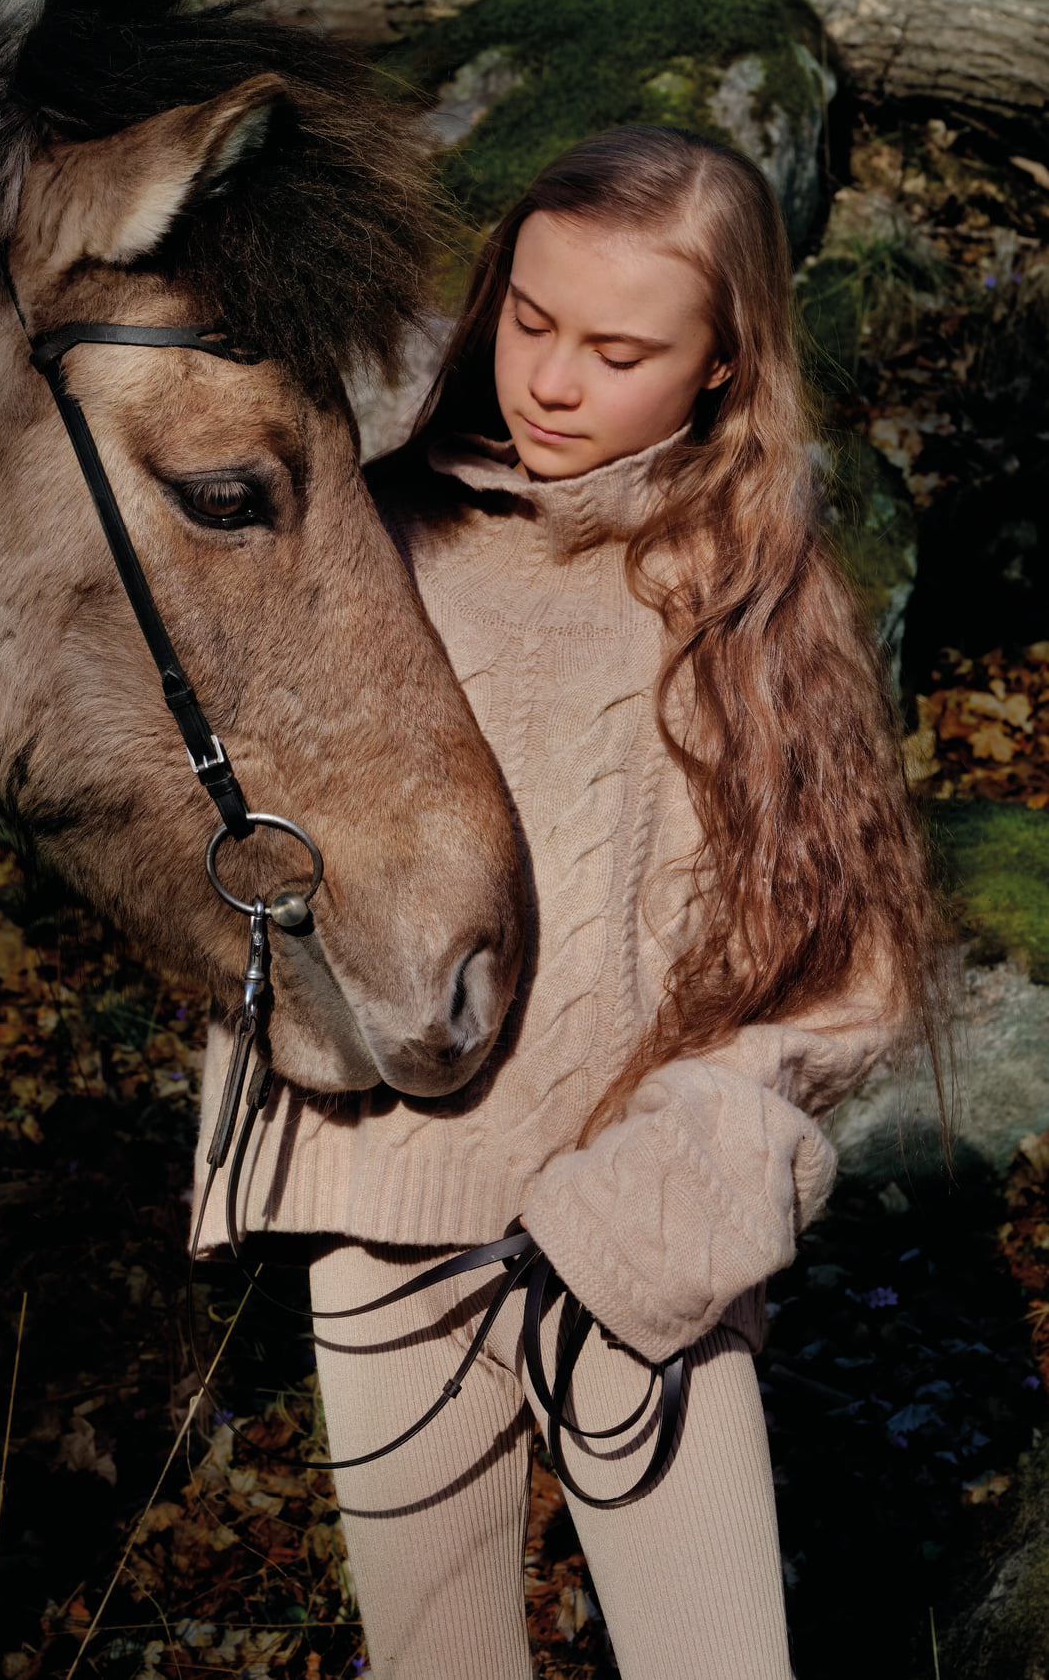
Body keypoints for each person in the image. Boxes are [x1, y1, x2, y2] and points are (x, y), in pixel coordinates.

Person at [194, 124, 949, 1679]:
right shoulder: (375, 532)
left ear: (723, 369)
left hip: (641, 1247)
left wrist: (668, 1173)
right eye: (531, 322)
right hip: (385, 1224)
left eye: (617, 350)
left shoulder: (750, 592)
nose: (550, 380)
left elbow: (857, 976)